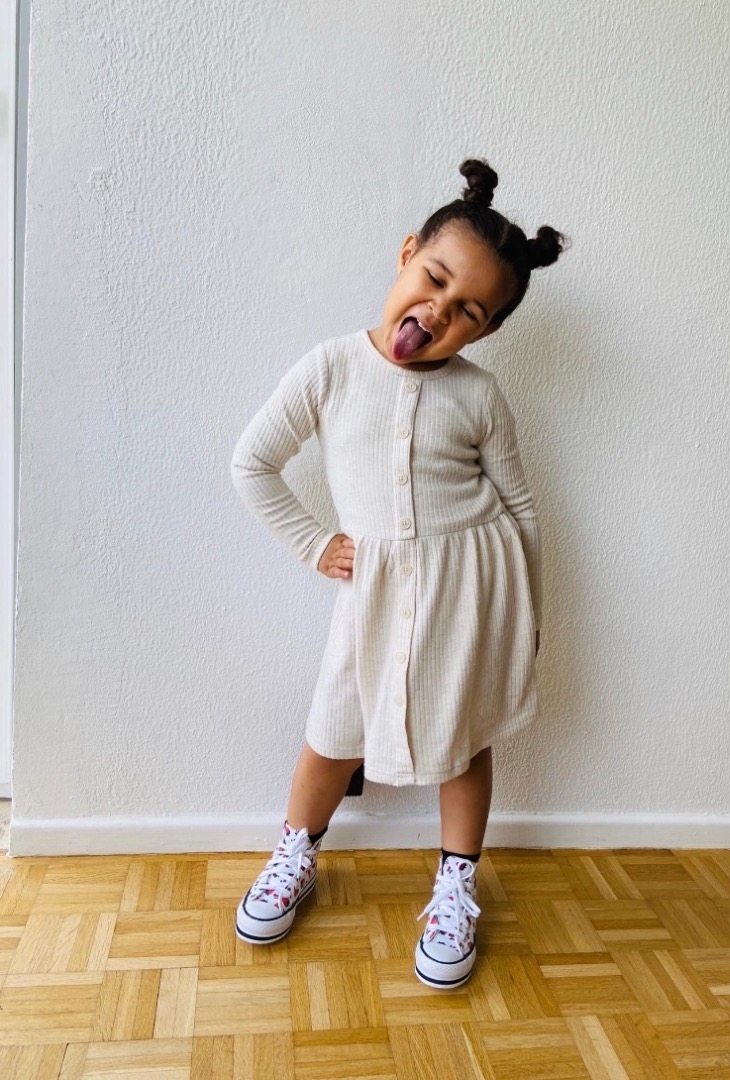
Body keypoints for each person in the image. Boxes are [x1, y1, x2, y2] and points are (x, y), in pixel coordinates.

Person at [231, 159, 566, 989]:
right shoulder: (331, 369)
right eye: (435, 280)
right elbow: (252, 463)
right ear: (408, 253)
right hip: (373, 593)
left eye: (468, 311)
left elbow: (520, 505)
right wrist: (313, 543)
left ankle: (456, 884)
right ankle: (295, 852)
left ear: (486, 332)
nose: (438, 312)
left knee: (463, 738)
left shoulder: (479, 395)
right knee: (332, 728)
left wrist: (527, 611)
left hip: (470, 591)